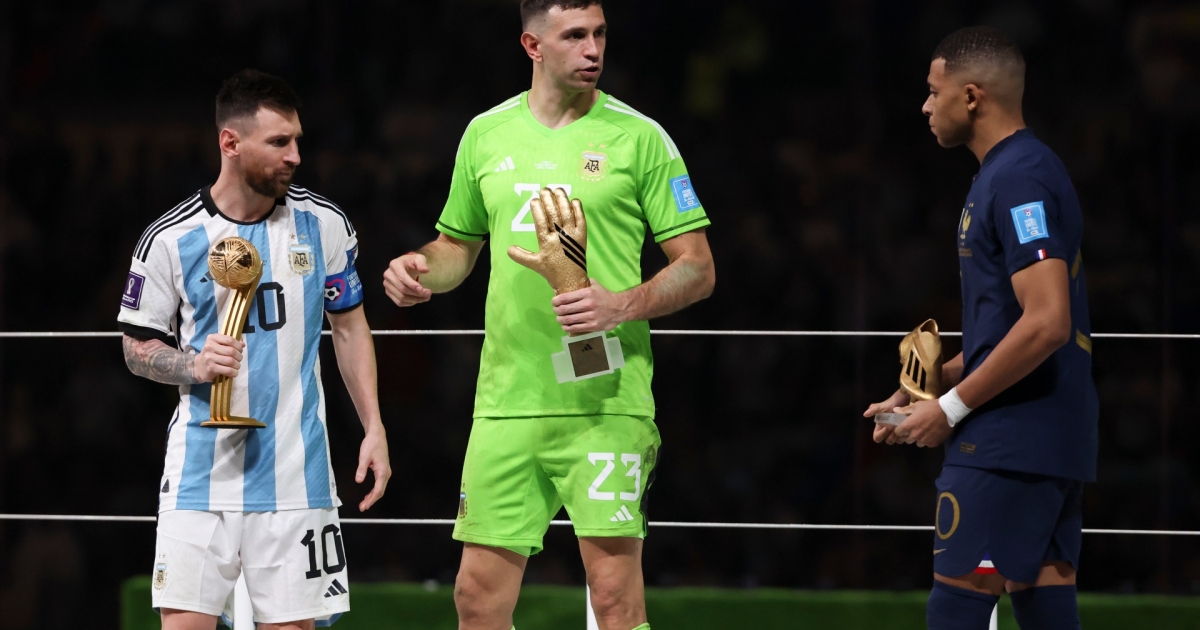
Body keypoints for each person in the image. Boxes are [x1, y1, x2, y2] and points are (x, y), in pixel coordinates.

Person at [383, 1, 715, 628]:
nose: (593, 50)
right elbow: (457, 248)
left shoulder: (640, 137)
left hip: (606, 400)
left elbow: (698, 267)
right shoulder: (485, 133)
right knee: (476, 598)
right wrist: (420, 267)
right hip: (508, 401)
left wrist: (621, 304)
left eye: (600, 34)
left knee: (614, 600)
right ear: (533, 46)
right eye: (575, 36)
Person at [118, 69, 391, 630]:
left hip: (297, 473)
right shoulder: (169, 238)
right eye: (279, 142)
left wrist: (374, 426)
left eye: (297, 140)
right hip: (198, 475)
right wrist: (193, 364)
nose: (295, 156)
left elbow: (349, 328)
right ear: (231, 142)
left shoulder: (324, 224)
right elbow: (136, 345)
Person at [864, 27, 1098, 630]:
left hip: (1009, 442)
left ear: (971, 96)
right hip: (1044, 435)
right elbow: (1013, 329)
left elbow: (1047, 322)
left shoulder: (1019, 177)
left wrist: (950, 408)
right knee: (1045, 606)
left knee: (957, 608)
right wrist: (926, 386)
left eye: (933, 90)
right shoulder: (1012, 172)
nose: (925, 105)